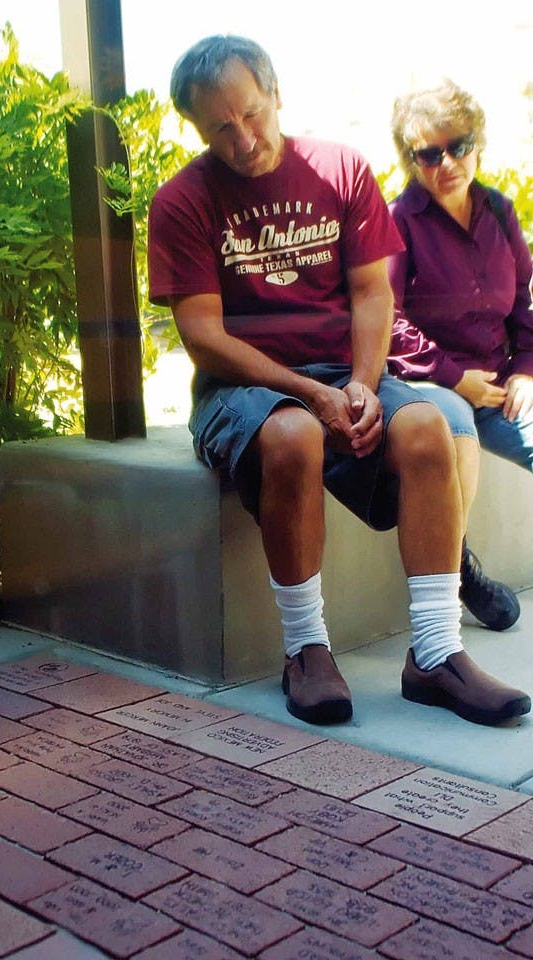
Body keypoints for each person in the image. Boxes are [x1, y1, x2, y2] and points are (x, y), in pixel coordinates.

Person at [148, 36, 530, 727]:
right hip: (241, 386)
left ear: (275, 95)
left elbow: (372, 296)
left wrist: (359, 380)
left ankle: (437, 655)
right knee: (293, 434)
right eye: (220, 128)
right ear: (196, 129)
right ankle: (307, 651)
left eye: (253, 114)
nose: (243, 139)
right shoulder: (182, 201)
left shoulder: (339, 169)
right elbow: (204, 336)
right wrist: (313, 393)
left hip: (341, 369)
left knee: (426, 427)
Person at [387, 79, 533, 632]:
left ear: (478, 143)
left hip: (500, 383)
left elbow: (523, 302)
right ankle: (456, 571)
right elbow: (389, 320)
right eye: (428, 153)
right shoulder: (398, 221)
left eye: (458, 145)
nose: (445, 162)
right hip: (428, 382)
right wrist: (453, 377)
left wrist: (526, 370)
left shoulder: (499, 211)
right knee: (456, 437)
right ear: (411, 158)